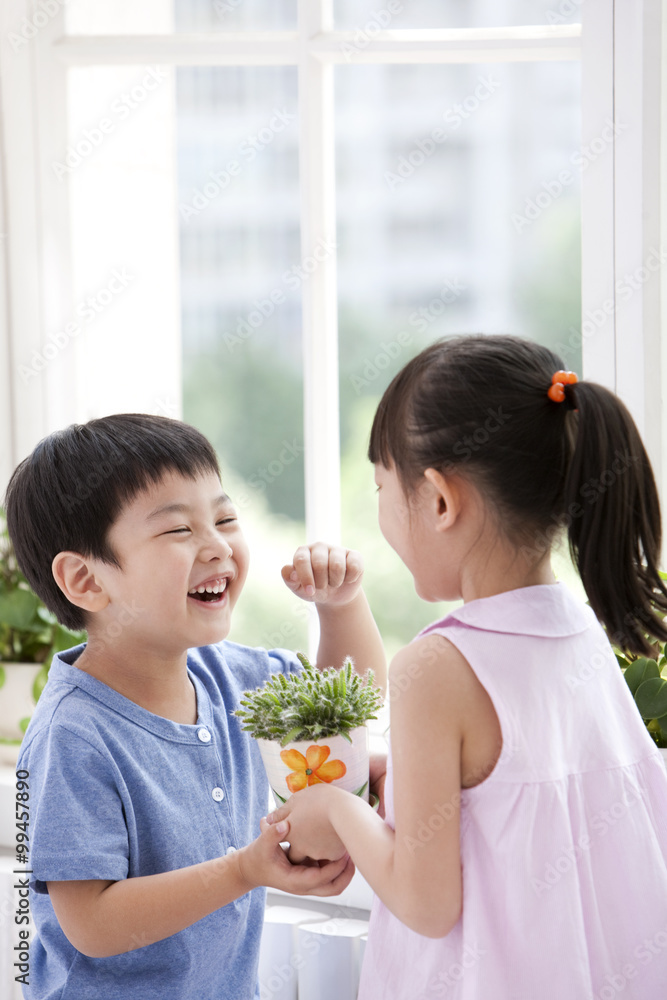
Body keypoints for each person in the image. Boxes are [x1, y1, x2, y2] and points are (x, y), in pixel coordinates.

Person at [266, 334, 667, 999]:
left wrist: (336, 808)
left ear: (439, 501)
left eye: (380, 488)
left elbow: (426, 905)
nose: (382, 515)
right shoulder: (579, 635)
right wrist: (399, 784)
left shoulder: (436, 665)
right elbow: (527, 803)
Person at [4, 413, 386, 1000]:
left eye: (225, 519)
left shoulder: (234, 679)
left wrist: (341, 607)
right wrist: (242, 872)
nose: (217, 545)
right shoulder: (72, 735)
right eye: (178, 531)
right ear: (85, 579)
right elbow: (94, 925)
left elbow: (347, 702)